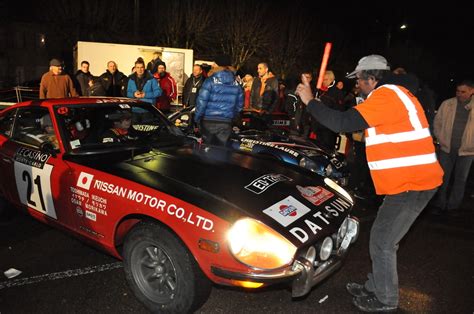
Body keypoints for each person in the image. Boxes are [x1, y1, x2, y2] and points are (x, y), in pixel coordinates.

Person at [296, 54, 443, 312]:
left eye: (360, 81)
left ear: (371, 78)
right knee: (380, 236)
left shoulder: (387, 96)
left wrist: (309, 101)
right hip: (409, 182)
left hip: (413, 183)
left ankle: (386, 299)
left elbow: (341, 122)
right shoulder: (396, 95)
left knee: (384, 241)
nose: (357, 86)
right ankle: (374, 286)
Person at [432, 80, 474, 214]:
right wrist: (441, 138)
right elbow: (437, 123)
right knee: (443, 177)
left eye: (463, 92)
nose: (459, 94)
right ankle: (440, 203)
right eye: (458, 91)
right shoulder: (447, 104)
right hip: (446, 148)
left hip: (468, 151)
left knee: (460, 179)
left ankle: (453, 206)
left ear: (472, 91)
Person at [194, 54, 244, 146]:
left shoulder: (210, 81)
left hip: (208, 121)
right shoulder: (236, 83)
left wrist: (197, 118)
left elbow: (201, 102)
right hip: (226, 121)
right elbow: (239, 105)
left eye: (214, 63)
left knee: (207, 150)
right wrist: (232, 116)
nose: (213, 65)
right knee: (221, 150)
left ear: (218, 65)